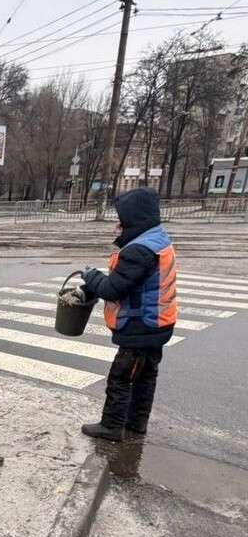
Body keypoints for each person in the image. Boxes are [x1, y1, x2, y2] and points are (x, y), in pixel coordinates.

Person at [80, 187, 177, 442]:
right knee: (145, 377)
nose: (117, 224)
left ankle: (111, 427)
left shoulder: (138, 250)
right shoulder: (157, 240)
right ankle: (136, 424)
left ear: (134, 218)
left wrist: (91, 277)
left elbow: (113, 289)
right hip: (158, 324)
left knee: (121, 378)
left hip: (140, 326)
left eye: (121, 219)